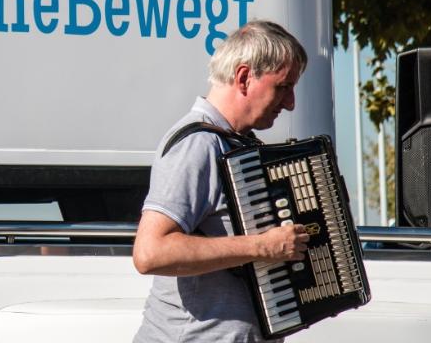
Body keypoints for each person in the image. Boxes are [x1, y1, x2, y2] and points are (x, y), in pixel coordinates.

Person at [132, 20, 311, 343]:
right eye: (283, 87)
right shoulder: (197, 144)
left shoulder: (238, 145)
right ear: (244, 77)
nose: (290, 103)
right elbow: (150, 252)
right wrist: (263, 246)